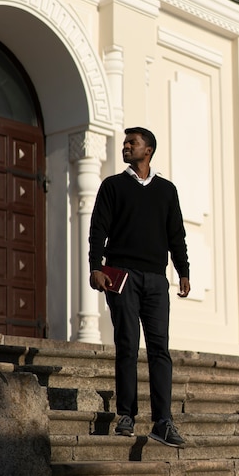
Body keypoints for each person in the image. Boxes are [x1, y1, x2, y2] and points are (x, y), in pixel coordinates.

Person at [88, 126, 190, 448]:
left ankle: (163, 421)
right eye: (125, 143)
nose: (126, 147)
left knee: (160, 349)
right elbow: (97, 229)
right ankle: (126, 415)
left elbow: (177, 235)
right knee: (127, 344)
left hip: (157, 280)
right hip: (121, 275)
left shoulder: (166, 190)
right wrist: (96, 267)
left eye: (132, 143)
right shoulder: (113, 186)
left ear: (149, 150)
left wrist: (183, 271)